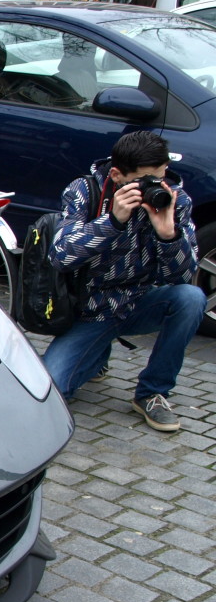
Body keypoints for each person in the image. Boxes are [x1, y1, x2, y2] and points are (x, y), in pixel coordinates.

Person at [41, 131, 205, 432]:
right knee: (49, 391)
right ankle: (96, 352)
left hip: (140, 302)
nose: (156, 187)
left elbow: (181, 278)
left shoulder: (174, 199)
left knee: (191, 298)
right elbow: (60, 256)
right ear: (117, 175)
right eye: (145, 181)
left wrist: (168, 236)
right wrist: (112, 221)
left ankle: (152, 392)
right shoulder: (85, 190)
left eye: (161, 176)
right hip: (92, 310)